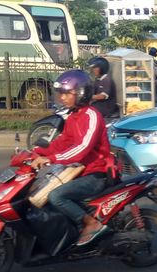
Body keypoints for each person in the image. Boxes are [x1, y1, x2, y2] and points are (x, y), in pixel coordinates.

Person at [30, 70, 114, 247]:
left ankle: (91, 223)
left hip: (96, 173)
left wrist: (50, 159)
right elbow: (63, 141)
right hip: (78, 171)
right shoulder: (73, 116)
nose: (62, 98)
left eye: (67, 93)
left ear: (81, 93)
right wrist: (38, 152)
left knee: (56, 196)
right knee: (38, 192)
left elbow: (82, 148)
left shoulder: (91, 115)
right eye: (61, 94)